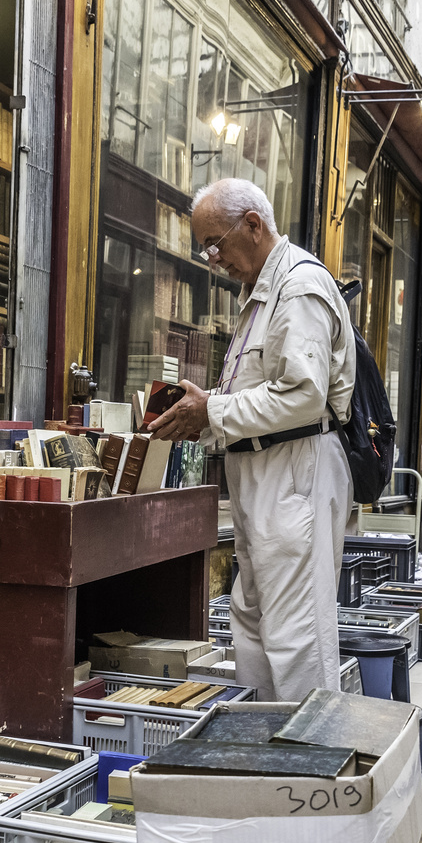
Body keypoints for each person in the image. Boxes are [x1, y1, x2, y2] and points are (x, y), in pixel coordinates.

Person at [146, 177, 355, 703]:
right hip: (263, 472)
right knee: (254, 619)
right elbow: (264, 386)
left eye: (215, 244)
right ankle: (262, 755)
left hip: (293, 473)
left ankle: (306, 770)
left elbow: (303, 396)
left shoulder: (299, 287)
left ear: (254, 226)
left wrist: (212, 409)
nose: (213, 260)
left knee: (295, 633)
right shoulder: (262, 290)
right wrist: (210, 400)